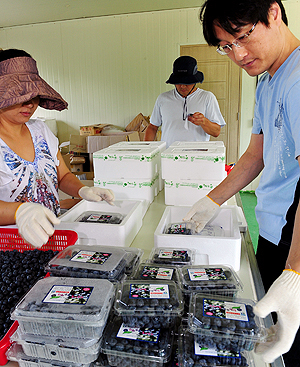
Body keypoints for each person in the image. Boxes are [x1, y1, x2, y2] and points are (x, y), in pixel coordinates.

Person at [183, 1, 300, 365]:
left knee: (287, 346)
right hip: (274, 228)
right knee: (267, 339)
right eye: (226, 46)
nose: (238, 54)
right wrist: (211, 202)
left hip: (296, 242)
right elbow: (255, 155)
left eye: (243, 37)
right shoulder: (268, 81)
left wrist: (295, 273)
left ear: (274, 13)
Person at [0, 49, 114, 248]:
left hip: (54, 238)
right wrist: (19, 211)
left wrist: (83, 190)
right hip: (12, 247)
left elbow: (62, 176)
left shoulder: (40, 131)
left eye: (34, 95)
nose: (30, 103)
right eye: (19, 95)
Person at [144, 55, 225, 147]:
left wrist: (204, 121)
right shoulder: (163, 98)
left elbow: (216, 132)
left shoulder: (207, 97)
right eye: (178, 82)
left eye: (187, 82)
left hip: (197, 157)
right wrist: (146, 150)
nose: (182, 86)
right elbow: (153, 127)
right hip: (169, 156)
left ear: (195, 81)